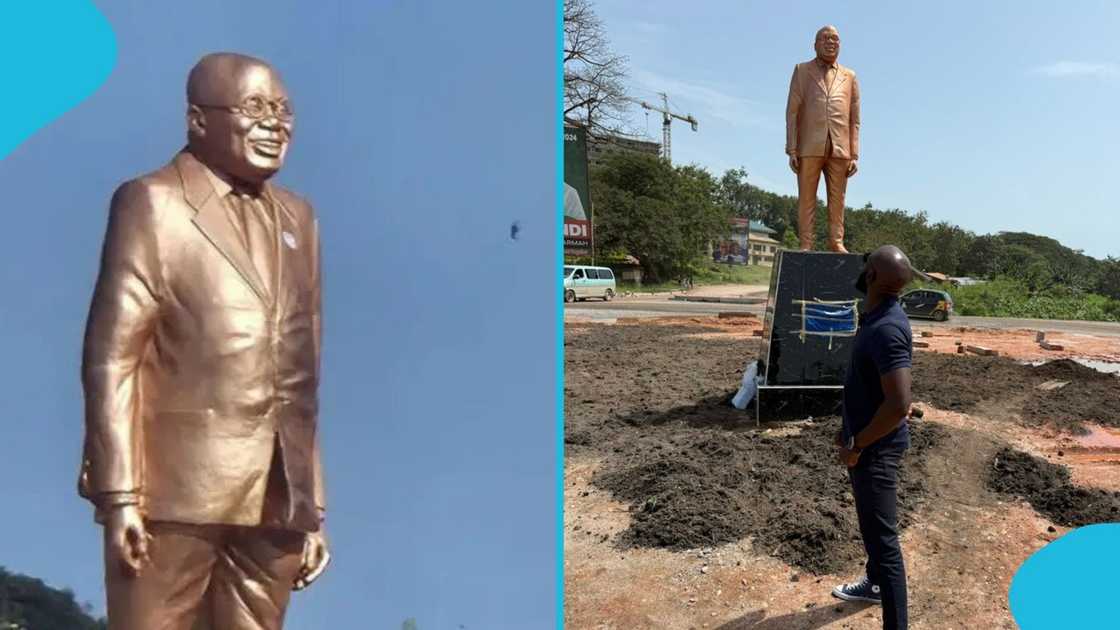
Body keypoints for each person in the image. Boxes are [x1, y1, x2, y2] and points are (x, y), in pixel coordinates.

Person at [79, 52, 329, 629]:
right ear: (198, 121)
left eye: (283, 110)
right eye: (254, 108)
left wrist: (311, 508)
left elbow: (302, 373)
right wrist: (119, 496)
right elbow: (113, 357)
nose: (274, 123)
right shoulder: (152, 202)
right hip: (171, 494)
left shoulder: (299, 218)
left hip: (275, 497)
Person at [832, 245, 915, 630]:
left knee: (884, 541)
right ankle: (873, 583)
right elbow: (869, 388)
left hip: (875, 449)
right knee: (871, 526)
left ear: (871, 277)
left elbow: (899, 404)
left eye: (867, 264)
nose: (862, 268)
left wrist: (859, 444)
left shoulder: (886, 329)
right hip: (865, 441)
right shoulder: (874, 317)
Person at [785, 25, 860, 253]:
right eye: (825, 38)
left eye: (835, 39)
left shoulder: (850, 76)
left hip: (840, 147)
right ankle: (806, 243)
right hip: (809, 145)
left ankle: (836, 241)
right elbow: (793, 112)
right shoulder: (802, 70)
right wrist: (792, 148)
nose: (831, 42)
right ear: (815, 44)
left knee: (838, 200)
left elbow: (854, 118)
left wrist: (854, 153)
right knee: (807, 198)